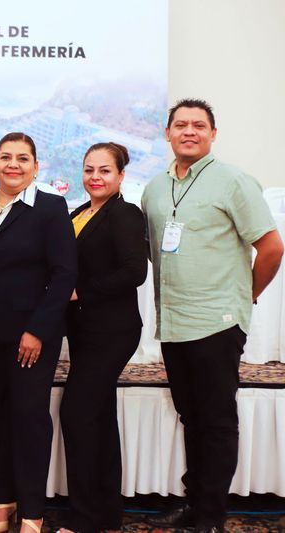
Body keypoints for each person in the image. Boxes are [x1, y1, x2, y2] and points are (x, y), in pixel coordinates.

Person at [143, 99, 283, 533]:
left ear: (212, 134)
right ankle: (194, 502)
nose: (189, 131)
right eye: (180, 124)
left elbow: (272, 247)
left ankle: (211, 516)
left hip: (218, 321)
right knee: (191, 415)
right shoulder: (153, 188)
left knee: (217, 419)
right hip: (175, 322)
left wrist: (249, 295)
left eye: (199, 125)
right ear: (167, 133)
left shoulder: (234, 181)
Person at [0, 132, 77, 533]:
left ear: (36, 166)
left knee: (30, 418)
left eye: (23, 158)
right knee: (1, 417)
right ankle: (4, 500)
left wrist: (38, 330)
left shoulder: (50, 207)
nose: (14, 164)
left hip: (33, 337)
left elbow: (65, 274)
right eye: (6, 157)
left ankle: (32, 511)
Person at [57, 143, 148, 533]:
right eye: (89, 169)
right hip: (84, 330)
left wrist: (81, 292)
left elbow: (134, 272)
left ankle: (84, 520)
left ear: (121, 176)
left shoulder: (125, 214)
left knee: (75, 414)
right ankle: (108, 514)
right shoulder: (79, 213)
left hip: (112, 330)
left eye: (105, 171)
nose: (96, 177)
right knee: (99, 418)